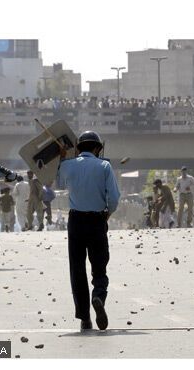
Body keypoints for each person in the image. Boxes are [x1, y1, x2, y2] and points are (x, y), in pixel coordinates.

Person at [57, 131, 120, 331]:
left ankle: (85, 318)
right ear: (98, 148)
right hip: (97, 220)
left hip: (76, 220)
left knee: (77, 269)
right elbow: (115, 198)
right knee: (99, 265)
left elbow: (58, 184)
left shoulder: (67, 166)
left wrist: (62, 158)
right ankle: (98, 296)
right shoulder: (104, 166)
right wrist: (107, 214)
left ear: (78, 148)